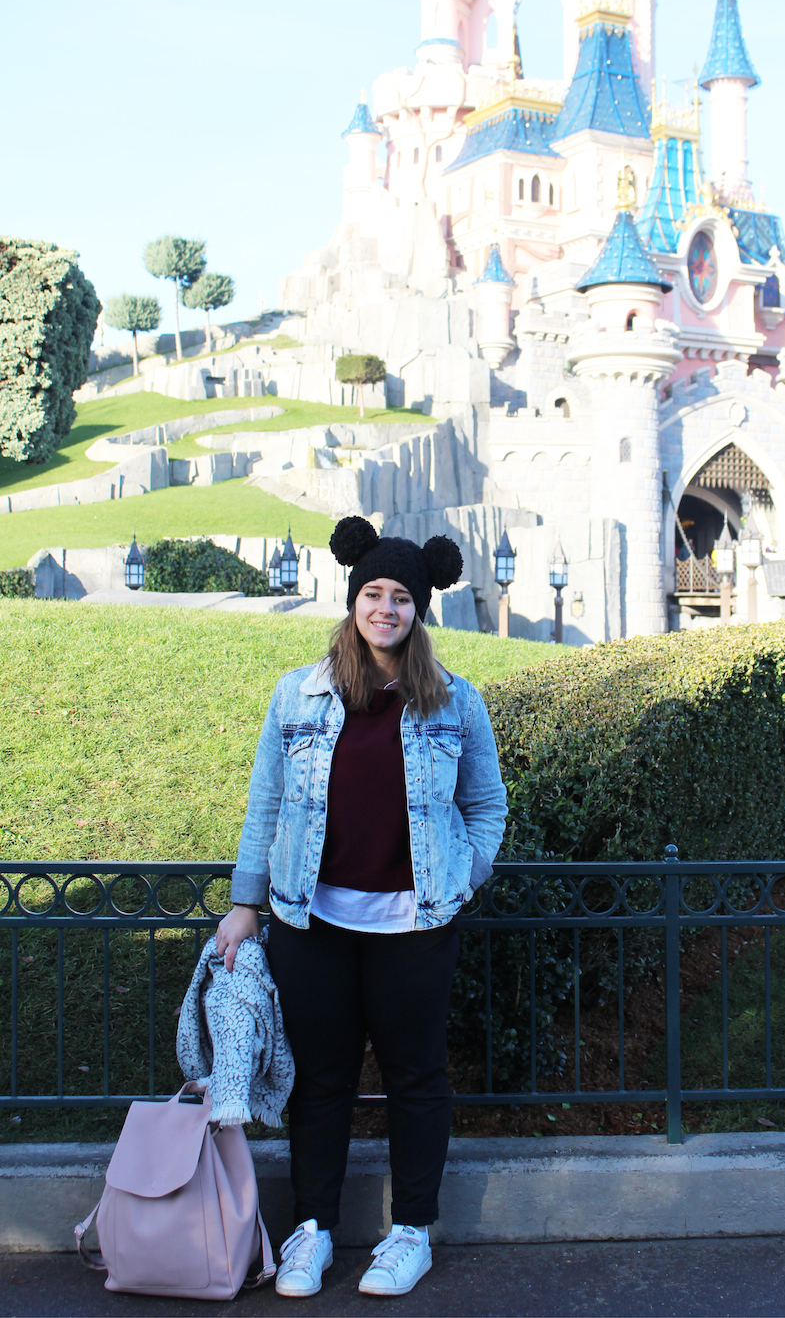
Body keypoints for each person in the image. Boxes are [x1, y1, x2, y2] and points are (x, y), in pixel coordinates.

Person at [215, 517, 508, 1300]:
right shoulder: (297, 694)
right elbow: (266, 806)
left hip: (416, 926)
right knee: (321, 1080)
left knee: (416, 1076)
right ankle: (310, 1231)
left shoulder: (456, 702)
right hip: (312, 923)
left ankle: (410, 1233)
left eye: (400, 597)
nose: (385, 608)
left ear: (419, 610)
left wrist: (462, 878)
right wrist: (245, 904)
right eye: (373, 593)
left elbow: (487, 805)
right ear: (353, 600)